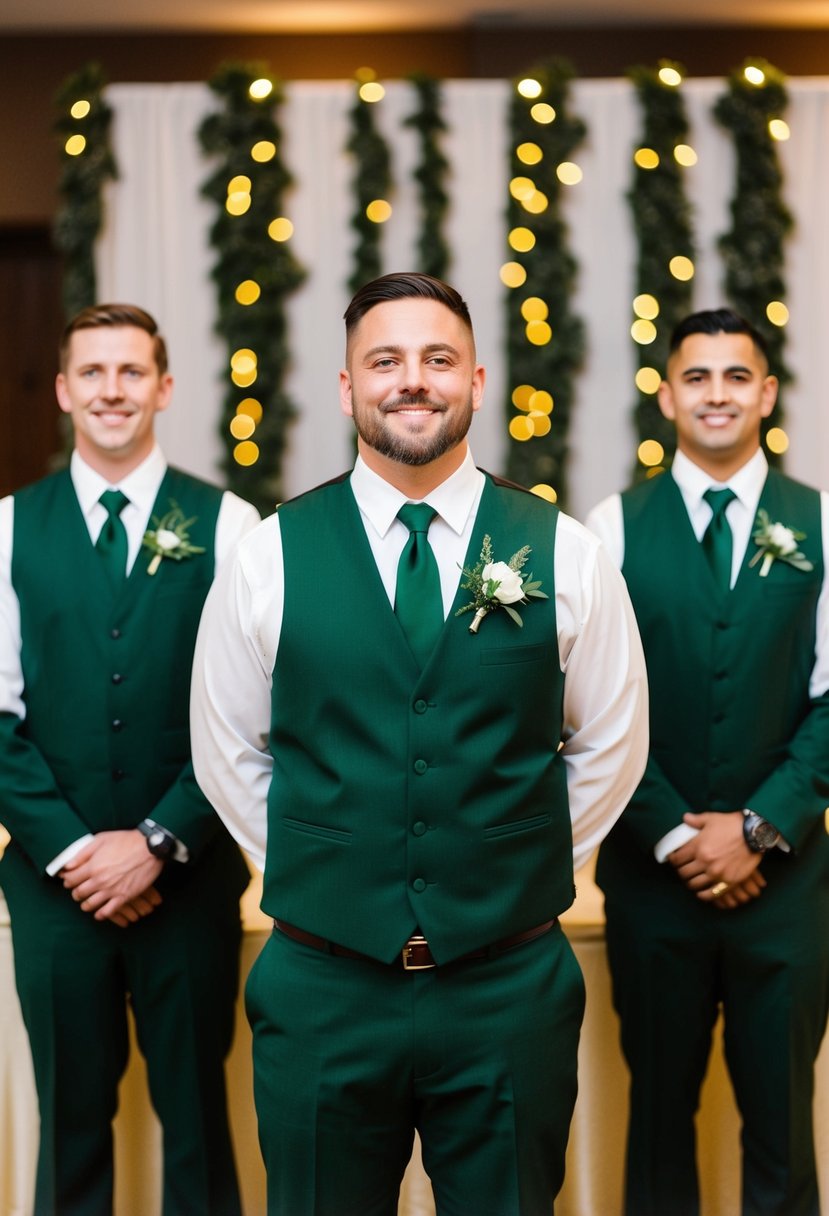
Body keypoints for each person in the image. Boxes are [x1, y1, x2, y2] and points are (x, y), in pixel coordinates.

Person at [190, 270, 648, 1216]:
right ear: (348, 384)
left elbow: (610, 741)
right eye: (385, 360)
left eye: (437, 359)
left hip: (506, 987)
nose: (413, 380)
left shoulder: (562, 551)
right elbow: (228, 747)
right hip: (322, 987)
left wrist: (500, 866)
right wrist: (335, 869)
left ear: (478, 381)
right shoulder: (268, 553)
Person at [0, 303, 259, 1216]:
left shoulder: (227, 524)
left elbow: (246, 714)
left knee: (197, 1120)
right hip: (51, 888)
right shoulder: (6, 528)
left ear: (164, 388)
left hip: (187, 880)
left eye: (132, 372)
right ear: (66, 389)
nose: (113, 390)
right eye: (94, 373)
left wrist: (155, 842)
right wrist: (76, 853)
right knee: (70, 1121)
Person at [586, 308, 829, 1216]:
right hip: (653, 888)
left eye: (736, 377)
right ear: (666, 395)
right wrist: (675, 841)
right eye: (698, 377)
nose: (716, 394)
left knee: (782, 1122)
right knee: (656, 1123)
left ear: (765, 395)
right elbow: (590, 711)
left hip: (789, 889)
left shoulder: (822, 523)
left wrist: (760, 828)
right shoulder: (607, 529)